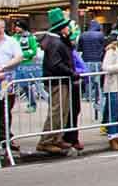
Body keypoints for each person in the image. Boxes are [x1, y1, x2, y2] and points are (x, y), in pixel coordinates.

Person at [37, 8, 77, 155]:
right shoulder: (55, 42)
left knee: (63, 111)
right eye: (66, 26)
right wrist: (71, 73)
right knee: (57, 111)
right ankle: (46, 141)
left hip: (61, 80)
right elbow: (55, 64)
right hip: (56, 81)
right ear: (61, 28)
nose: (69, 29)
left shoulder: (58, 41)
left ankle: (56, 137)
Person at [0, 18, 24, 151]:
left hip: (6, 83)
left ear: (2, 28)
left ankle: (5, 139)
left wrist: (3, 67)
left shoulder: (12, 42)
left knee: (5, 111)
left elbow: (19, 57)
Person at [76, 20, 107, 120]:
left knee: (88, 81)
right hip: (98, 61)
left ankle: (89, 96)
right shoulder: (101, 35)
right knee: (99, 83)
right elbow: (104, 48)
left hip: (86, 61)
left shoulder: (83, 35)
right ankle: (97, 101)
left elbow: (79, 48)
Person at [11, 20, 43, 113]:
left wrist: (21, 54)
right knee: (12, 86)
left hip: (27, 65)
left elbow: (33, 51)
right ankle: (9, 104)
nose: (17, 28)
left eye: (19, 26)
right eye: (16, 26)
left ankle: (32, 103)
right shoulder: (14, 38)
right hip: (16, 64)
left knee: (27, 86)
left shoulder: (30, 37)